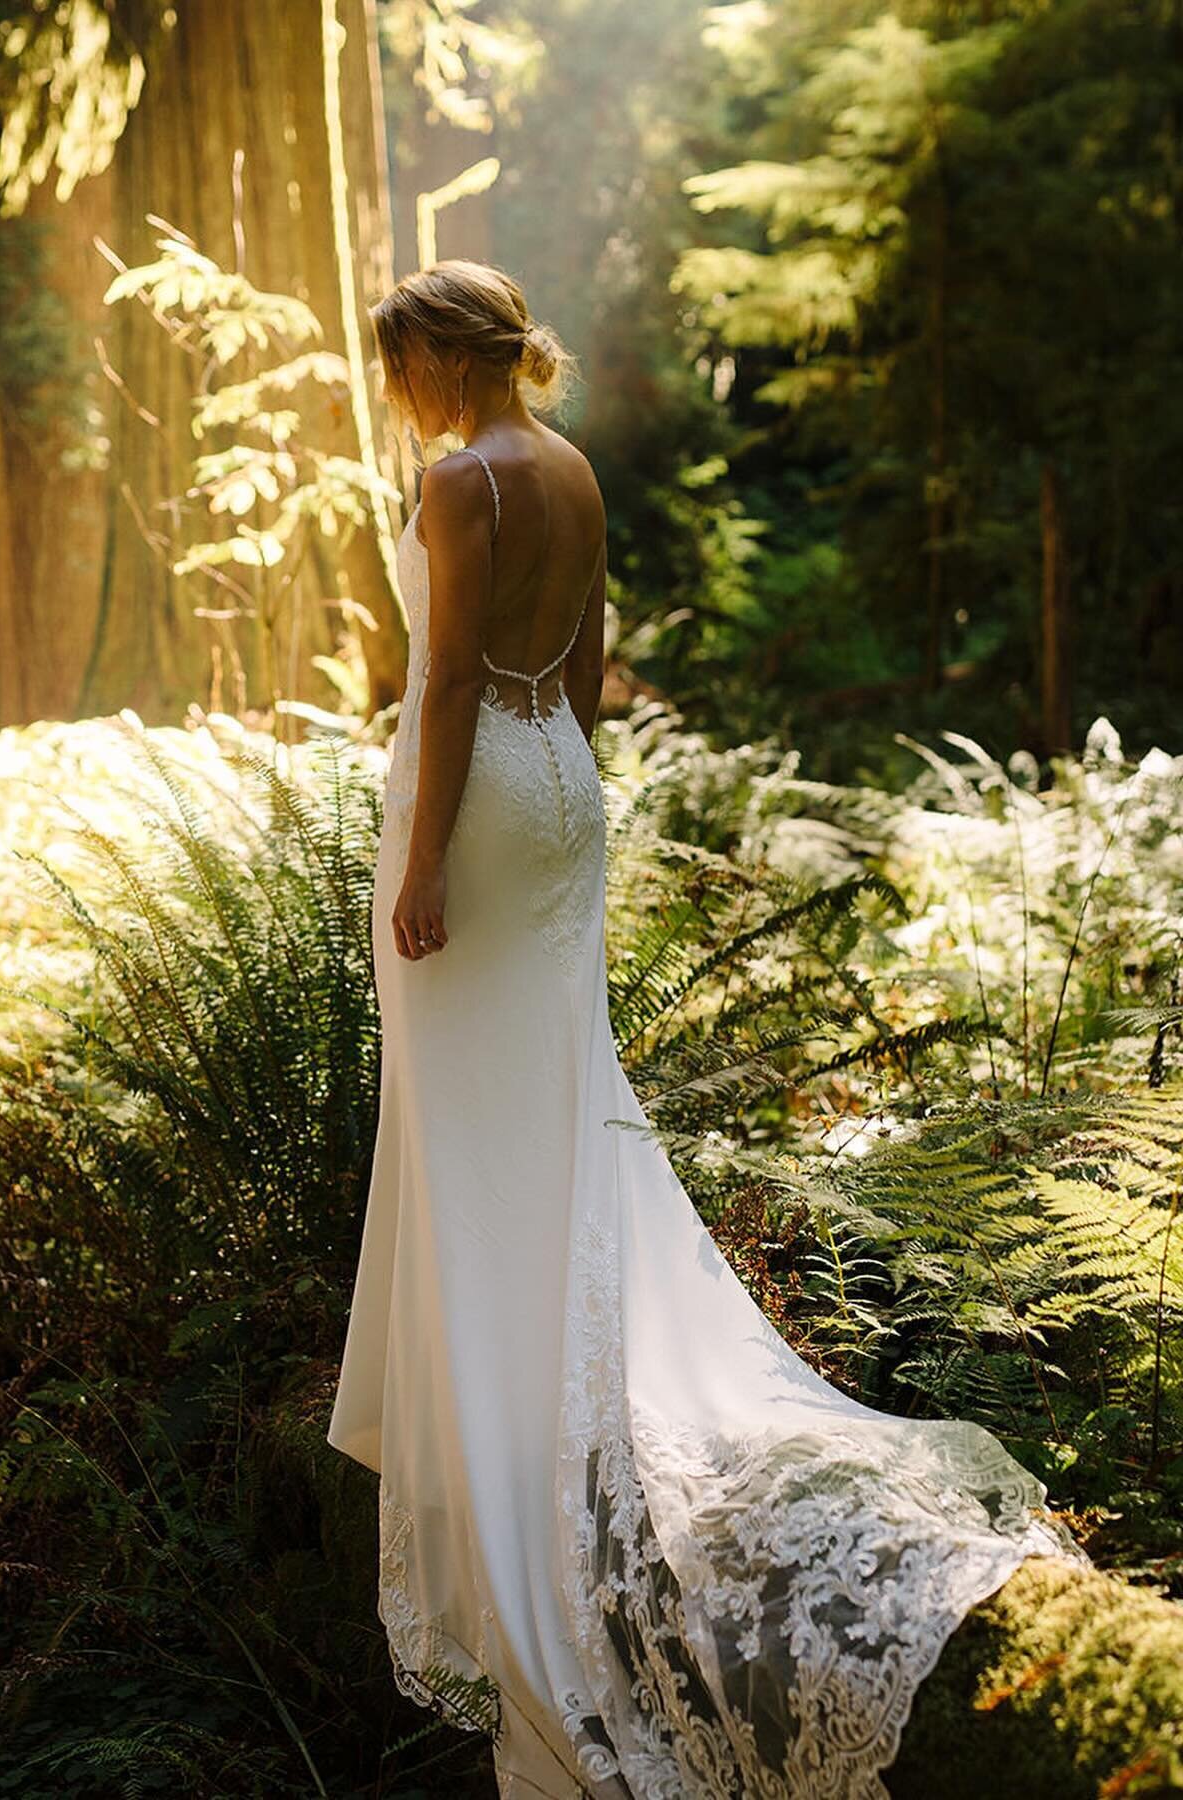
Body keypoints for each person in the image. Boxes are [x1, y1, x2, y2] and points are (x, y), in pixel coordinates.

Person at [325, 258, 1090, 1800]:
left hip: (469, 805)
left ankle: (500, 1408)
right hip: (563, 794)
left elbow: (453, 674)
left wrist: (419, 867)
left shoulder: (459, 476)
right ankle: (562, 1360)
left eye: (400, 362)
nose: (395, 388)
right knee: (555, 1081)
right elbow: (581, 667)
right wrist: (570, 812)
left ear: (442, 361)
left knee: (474, 1106)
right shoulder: (575, 466)